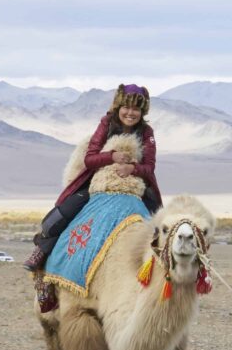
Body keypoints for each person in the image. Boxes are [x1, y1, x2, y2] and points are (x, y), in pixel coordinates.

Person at [23, 84, 162, 285]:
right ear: (118, 106)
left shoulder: (147, 132)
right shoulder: (106, 124)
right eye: (127, 107)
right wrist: (111, 156)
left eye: (136, 109)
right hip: (99, 182)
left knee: (162, 227)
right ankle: (42, 254)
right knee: (63, 215)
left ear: (142, 111)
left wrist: (133, 169)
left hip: (135, 185)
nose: (130, 113)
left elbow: (150, 166)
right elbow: (90, 159)